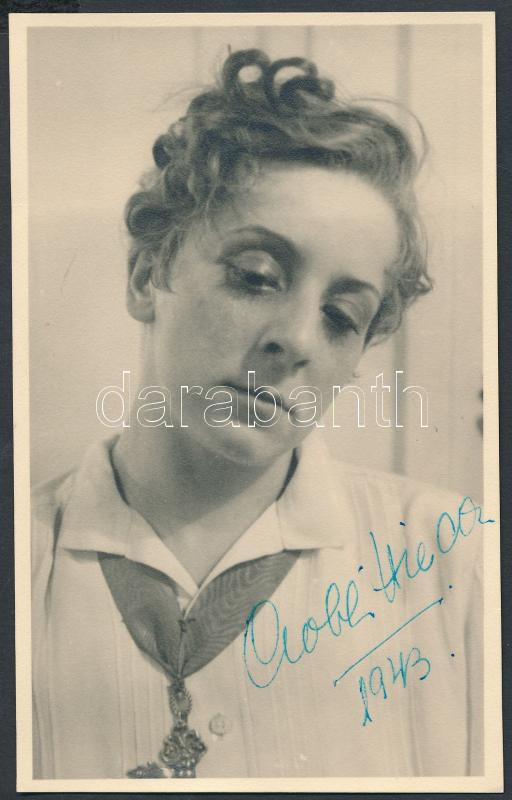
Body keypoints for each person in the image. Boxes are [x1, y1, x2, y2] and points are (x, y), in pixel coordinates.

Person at [31, 48, 484, 780]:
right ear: (148, 276)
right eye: (256, 277)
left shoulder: (461, 567)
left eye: (341, 317)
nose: (297, 340)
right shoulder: (24, 561)